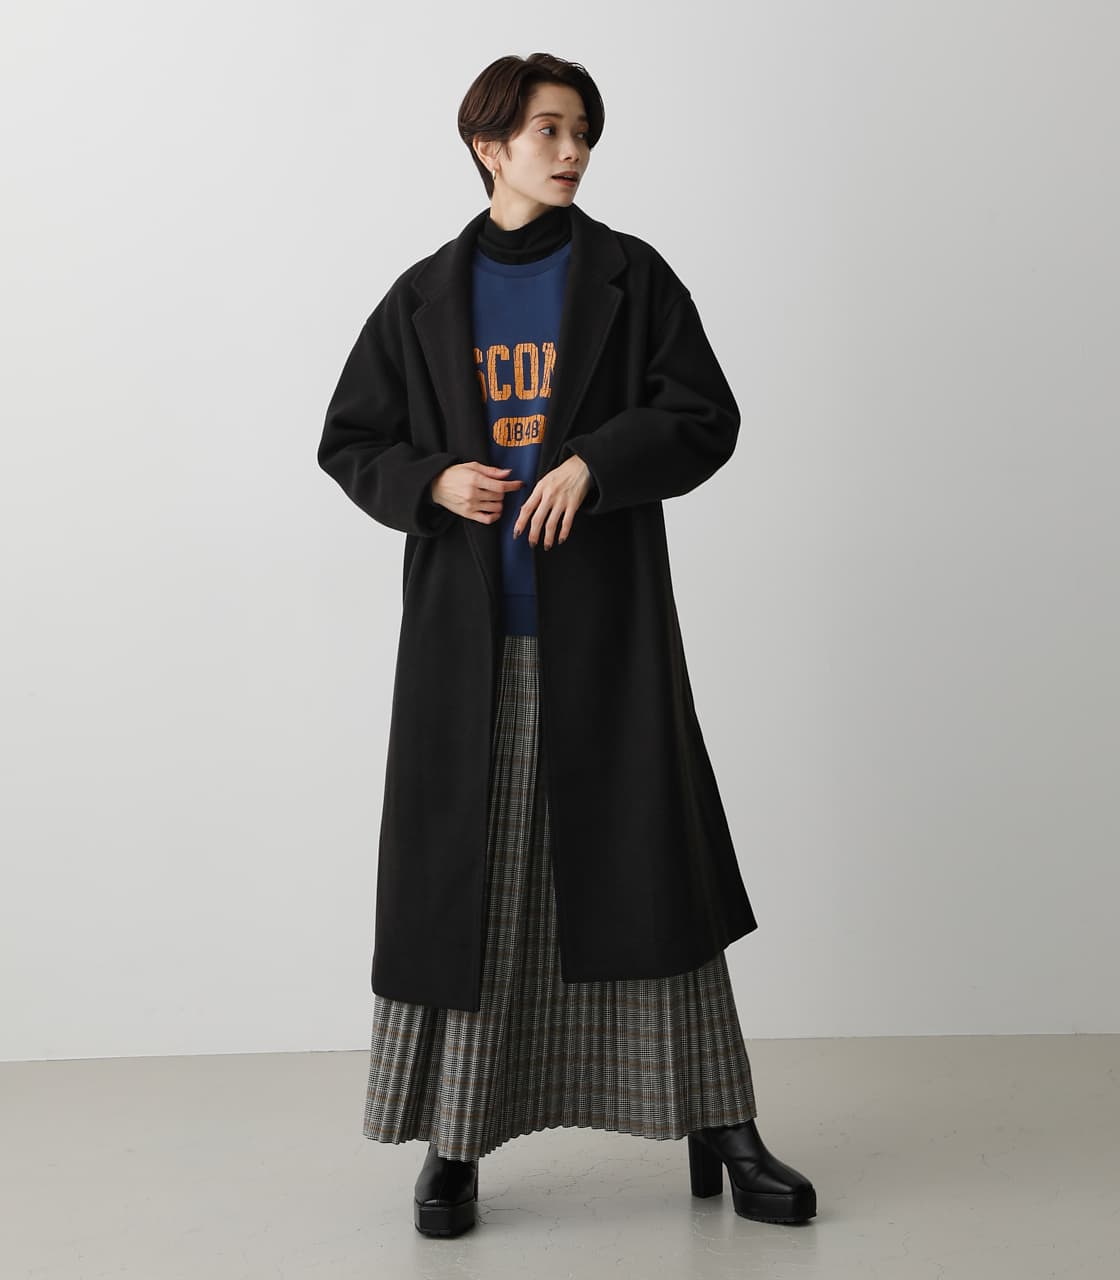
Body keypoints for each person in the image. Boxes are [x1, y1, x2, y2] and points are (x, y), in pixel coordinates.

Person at [317, 52, 817, 1238]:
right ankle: (453, 1137)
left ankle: (722, 1123)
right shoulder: (422, 297)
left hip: (606, 631)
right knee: (472, 891)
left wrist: (596, 460)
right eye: (548, 129)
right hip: (467, 643)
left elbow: (705, 415)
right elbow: (350, 440)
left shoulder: (629, 278)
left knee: (651, 869)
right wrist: (432, 479)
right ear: (488, 145)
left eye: (582, 129)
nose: (573, 149)